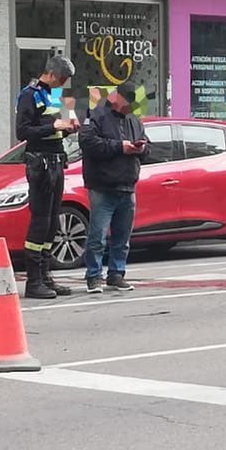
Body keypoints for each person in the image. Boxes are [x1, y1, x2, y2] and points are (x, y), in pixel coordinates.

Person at [14, 55, 80, 300]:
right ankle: (33, 281)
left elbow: (61, 126)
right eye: (61, 79)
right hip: (39, 164)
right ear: (51, 74)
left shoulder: (55, 96)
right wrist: (52, 127)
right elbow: (22, 131)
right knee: (40, 221)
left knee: (53, 221)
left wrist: (69, 127)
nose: (62, 85)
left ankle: (46, 275)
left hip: (56, 162)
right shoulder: (29, 95)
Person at [77, 83, 151, 294]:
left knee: (122, 237)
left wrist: (142, 148)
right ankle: (93, 276)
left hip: (128, 185)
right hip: (103, 185)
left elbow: (147, 147)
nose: (132, 108)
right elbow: (88, 142)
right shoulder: (96, 115)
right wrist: (120, 147)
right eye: (130, 103)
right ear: (117, 98)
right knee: (97, 236)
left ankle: (117, 274)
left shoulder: (134, 120)